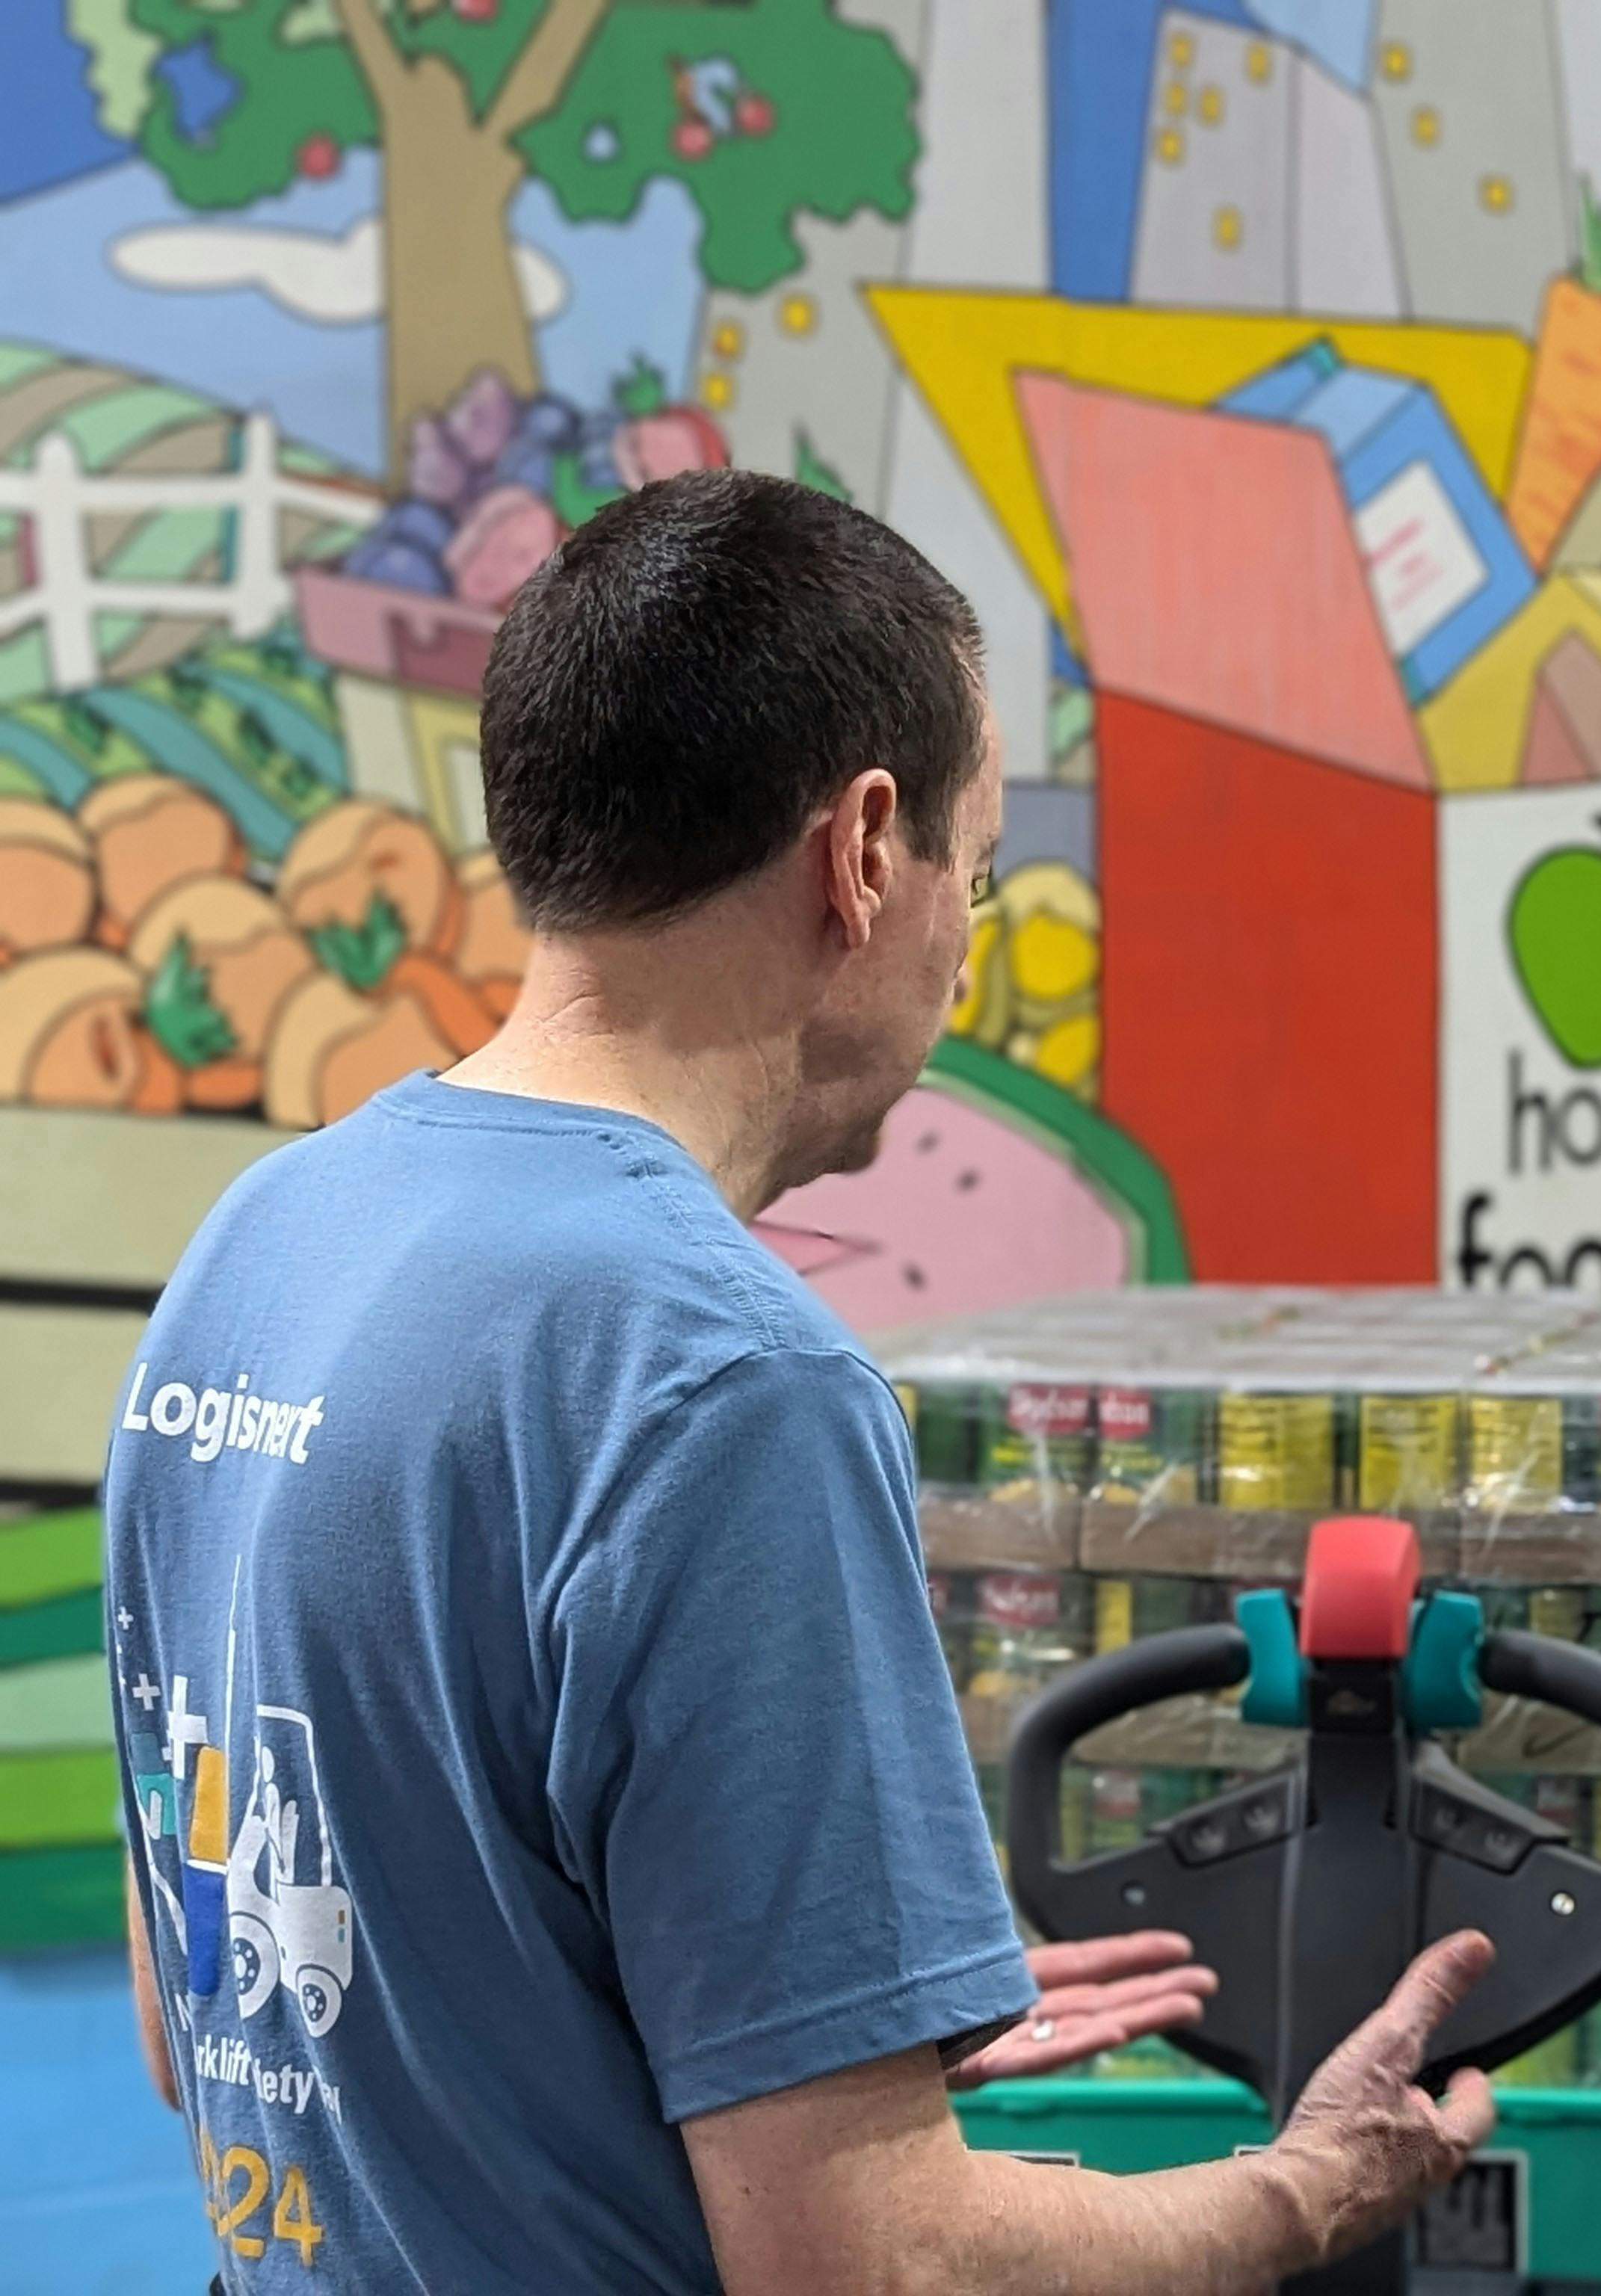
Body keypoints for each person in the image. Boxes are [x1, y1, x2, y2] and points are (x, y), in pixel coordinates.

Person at [108, 468, 1495, 2293]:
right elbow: (874, 2271)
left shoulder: (259, 1245)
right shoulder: (721, 1382)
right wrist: (1304, 2192)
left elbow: (209, 2026)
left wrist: (769, 2041)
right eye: (973, 874)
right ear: (859, 854)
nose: (966, 937)